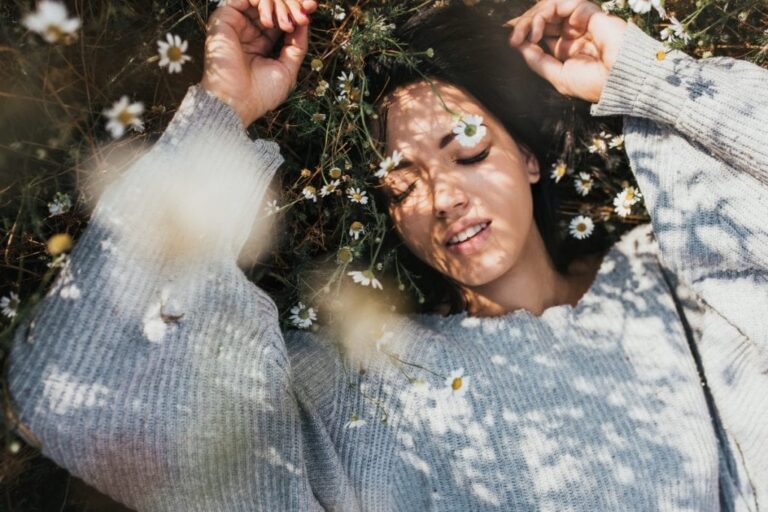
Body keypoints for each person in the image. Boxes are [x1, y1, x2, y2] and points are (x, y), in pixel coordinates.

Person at [5, 0, 767, 510]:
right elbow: (75, 388)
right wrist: (221, 112)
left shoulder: (667, 282)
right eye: (402, 183)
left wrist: (645, 74)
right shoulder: (365, 380)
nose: (443, 198)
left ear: (530, 156)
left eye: (467, 151)